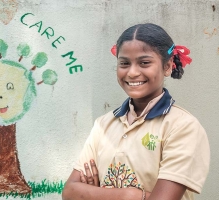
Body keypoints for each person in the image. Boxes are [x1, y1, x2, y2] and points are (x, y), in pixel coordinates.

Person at [62, 23, 210, 200]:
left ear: (168, 66)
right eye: (124, 63)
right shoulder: (103, 125)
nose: (132, 72)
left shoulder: (182, 127)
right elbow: (69, 193)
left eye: (144, 62)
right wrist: (131, 195)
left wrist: (96, 194)